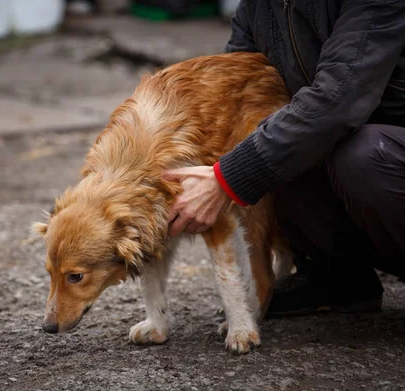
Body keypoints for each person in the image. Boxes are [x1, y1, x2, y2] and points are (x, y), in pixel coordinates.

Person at [163, 0, 405, 316]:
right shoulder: (256, 8)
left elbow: (336, 103)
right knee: (268, 138)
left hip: (388, 143)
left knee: (363, 157)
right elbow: (231, 95)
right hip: (344, 139)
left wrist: (227, 179)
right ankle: (339, 278)